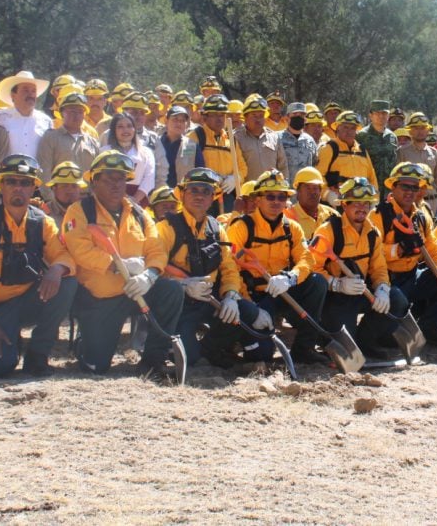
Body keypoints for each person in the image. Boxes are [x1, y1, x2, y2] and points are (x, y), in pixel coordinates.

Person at [61, 150, 184, 379]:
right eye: (108, 178)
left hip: (136, 290)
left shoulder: (139, 213)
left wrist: (149, 275)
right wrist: (118, 265)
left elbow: (156, 250)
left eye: (121, 178)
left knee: (171, 291)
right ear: (94, 181)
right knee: (96, 366)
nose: (116, 184)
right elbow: (80, 250)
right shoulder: (79, 211)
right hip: (100, 299)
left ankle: (153, 361)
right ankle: (85, 342)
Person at [0, 155, 76, 377]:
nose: (18, 188)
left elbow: (64, 255)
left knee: (68, 282)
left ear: (34, 188)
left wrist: (56, 269)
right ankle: (4, 337)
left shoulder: (43, 221)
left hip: (27, 300)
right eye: (11, 182)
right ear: (0, 186)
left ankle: (37, 354)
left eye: (25, 183)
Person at [157, 168, 274, 369]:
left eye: (206, 191)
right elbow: (154, 270)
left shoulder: (217, 229)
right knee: (189, 358)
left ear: (213, 197)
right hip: (180, 306)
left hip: (209, 301)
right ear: (182, 194)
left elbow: (229, 268)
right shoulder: (166, 228)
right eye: (194, 190)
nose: (199, 196)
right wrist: (183, 285)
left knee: (247, 314)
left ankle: (211, 349)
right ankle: (187, 349)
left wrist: (231, 295)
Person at [224, 169, 330, 364]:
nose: (276, 201)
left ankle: (304, 349)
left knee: (318, 282)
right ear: (258, 199)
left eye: (281, 197)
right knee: (261, 355)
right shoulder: (241, 227)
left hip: (282, 290)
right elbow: (230, 268)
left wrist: (291, 278)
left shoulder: (292, 228)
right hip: (254, 296)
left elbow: (306, 259)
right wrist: (250, 306)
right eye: (270, 196)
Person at [311, 177, 410, 360]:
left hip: (361, 290)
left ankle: (367, 341)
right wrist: (336, 284)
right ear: (344, 204)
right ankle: (328, 336)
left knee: (396, 299)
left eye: (366, 203)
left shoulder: (373, 233)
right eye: (356, 203)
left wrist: (382, 288)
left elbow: (379, 268)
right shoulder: (328, 231)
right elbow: (311, 270)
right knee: (344, 347)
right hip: (335, 297)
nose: (362, 208)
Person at [374, 162, 437, 344]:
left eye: (415, 188)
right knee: (397, 302)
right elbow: (371, 252)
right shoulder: (378, 215)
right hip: (388, 280)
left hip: (413, 276)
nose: (410, 192)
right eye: (405, 186)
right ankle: (387, 333)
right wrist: (398, 250)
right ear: (393, 187)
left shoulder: (421, 217)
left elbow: (434, 249)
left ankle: (426, 329)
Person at [36, 91, 100, 200]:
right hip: (60, 200)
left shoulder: (92, 142)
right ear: (62, 113)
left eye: (80, 112)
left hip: (86, 200)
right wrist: (51, 200)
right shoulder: (51, 138)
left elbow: (97, 175)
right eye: (71, 111)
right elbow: (44, 172)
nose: (76, 115)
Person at [0, 71, 53, 160]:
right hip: (5, 168)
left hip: (36, 169)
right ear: (13, 95)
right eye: (25, 90)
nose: (31, 94)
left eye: (33, 91)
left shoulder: (46, 122)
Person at [316, 110, 377, 206]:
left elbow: (372, 178)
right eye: (345, 127)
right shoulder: (329, 148)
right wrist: (328, 195)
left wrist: (375, 201)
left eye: (353, 128)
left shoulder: (362, 150)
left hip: (362, 204)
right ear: (338, 128)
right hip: (337, 204)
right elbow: (318, 176)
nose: (349, 131)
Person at [235, 96, 287, 183]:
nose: (258, 119)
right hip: (247, 189)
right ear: (245, 117)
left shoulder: (274, 137)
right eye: (254, 116)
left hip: (271, 189)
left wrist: (284, 183)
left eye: (261, 115)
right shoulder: (236, 137)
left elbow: (283, 166)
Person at [106, 113, 154, 206]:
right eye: (120, 127)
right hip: (110, 199)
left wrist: (134, 200)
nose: (125, 130)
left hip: (139, 200)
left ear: (134, 129)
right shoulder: (105, 151)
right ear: (114, 130)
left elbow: (149, 179)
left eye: (129, 126)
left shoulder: (146, 152)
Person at [355, 101, 399, 193]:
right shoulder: (361, 136)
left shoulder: (392, 136)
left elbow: (394, 161)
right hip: (368, 187)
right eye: (377, 113)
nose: (381, 116)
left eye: (384, 113)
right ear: (371, 115)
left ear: (388, 116)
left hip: (388, 188)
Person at [285, 167, 338, 237]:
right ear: (298, 191)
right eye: (307, 188)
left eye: (315, 188)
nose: (312, 192)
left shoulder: (333, 215)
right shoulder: (287, 218)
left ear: (320, 191)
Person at [279, 102, 319, 182]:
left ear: (305, 119)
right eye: (295, 114)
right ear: (287, 118)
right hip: (284, 187)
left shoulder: (310, 141)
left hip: (304, 186)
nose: (298, 117)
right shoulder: (277, 138)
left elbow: (314, 162)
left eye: (301, 115)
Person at [42, 161, 86, 226]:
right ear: (54, 188)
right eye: (64, 186)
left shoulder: (88, 213)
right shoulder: (42, 214)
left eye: (74, 186)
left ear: (80, 189)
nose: (70, 190)